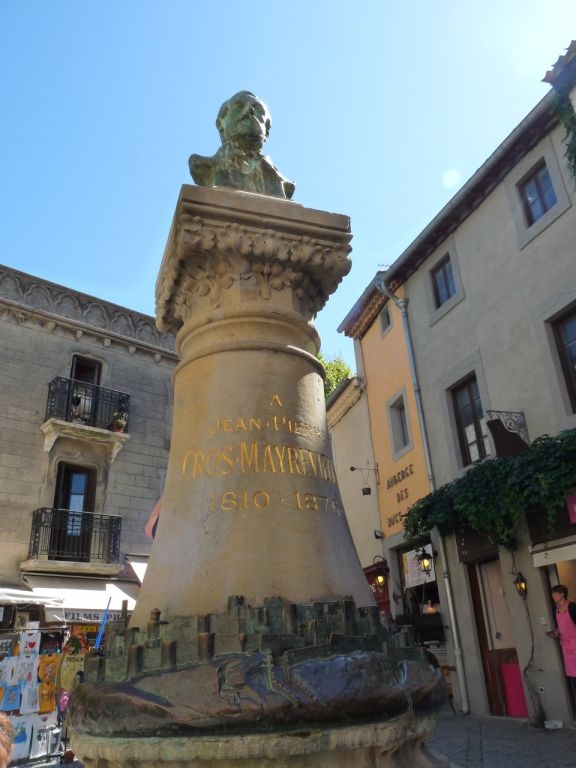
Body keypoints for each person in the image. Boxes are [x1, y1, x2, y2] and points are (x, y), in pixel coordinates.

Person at [189, 91, 295, 200]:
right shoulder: (202, 165)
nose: (250, 110)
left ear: (267, 131)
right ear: (220, 124)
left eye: (258, 109)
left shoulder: (281, 181)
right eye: (239, 106)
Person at [547, 584, 576, 690]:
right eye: (552, 593)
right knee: (573, 678)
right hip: (567, 648)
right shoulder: (556, 609)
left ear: (562, 594)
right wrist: (555, 633)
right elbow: (561, 626)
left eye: (555, 593)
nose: (553, 595)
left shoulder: (572, 607)